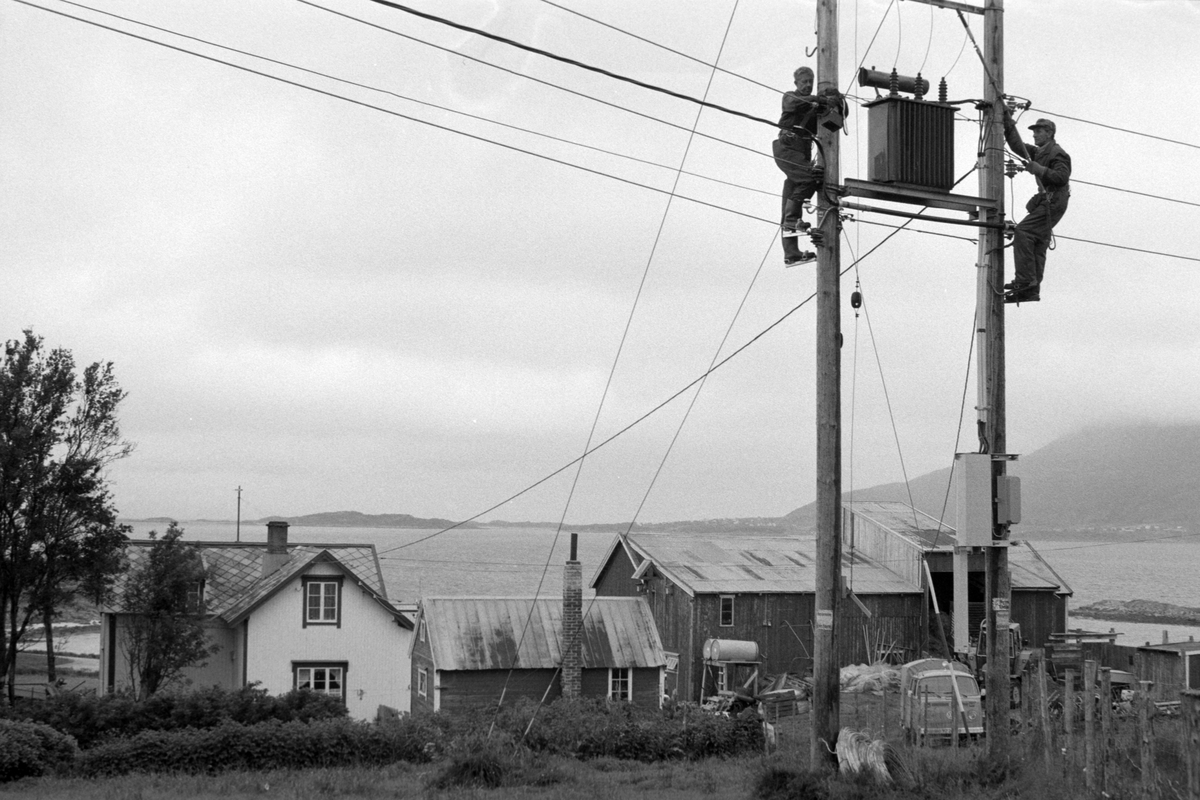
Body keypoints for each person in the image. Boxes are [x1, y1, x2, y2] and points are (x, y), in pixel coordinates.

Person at [1002, 112, 1072, 303]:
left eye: (1038, 132)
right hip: (1049, 200)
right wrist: (1007, 123)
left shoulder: (1058, 153)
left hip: (1055, 200)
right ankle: (1031, 288)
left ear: (1049, 133)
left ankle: (1025, 280)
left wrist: (1039, 169)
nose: (1034, 135)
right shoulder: (1039, 152)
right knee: (1038, 239)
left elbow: (1061, 177)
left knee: (1024, 231)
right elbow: (1018, 147)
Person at [773, 67, 829, 267]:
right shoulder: (791, 97)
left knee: (792, 192)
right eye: (804, 81)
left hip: (800, 154)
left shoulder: (813, 108)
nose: (807, 85)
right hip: (787, 149)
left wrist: (833, 102)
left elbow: (831, 120)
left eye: (810, 81)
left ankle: (791, 253)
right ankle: (792, 221)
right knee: (812, 178)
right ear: (796, 83)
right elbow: (794, 103)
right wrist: (818, 99)